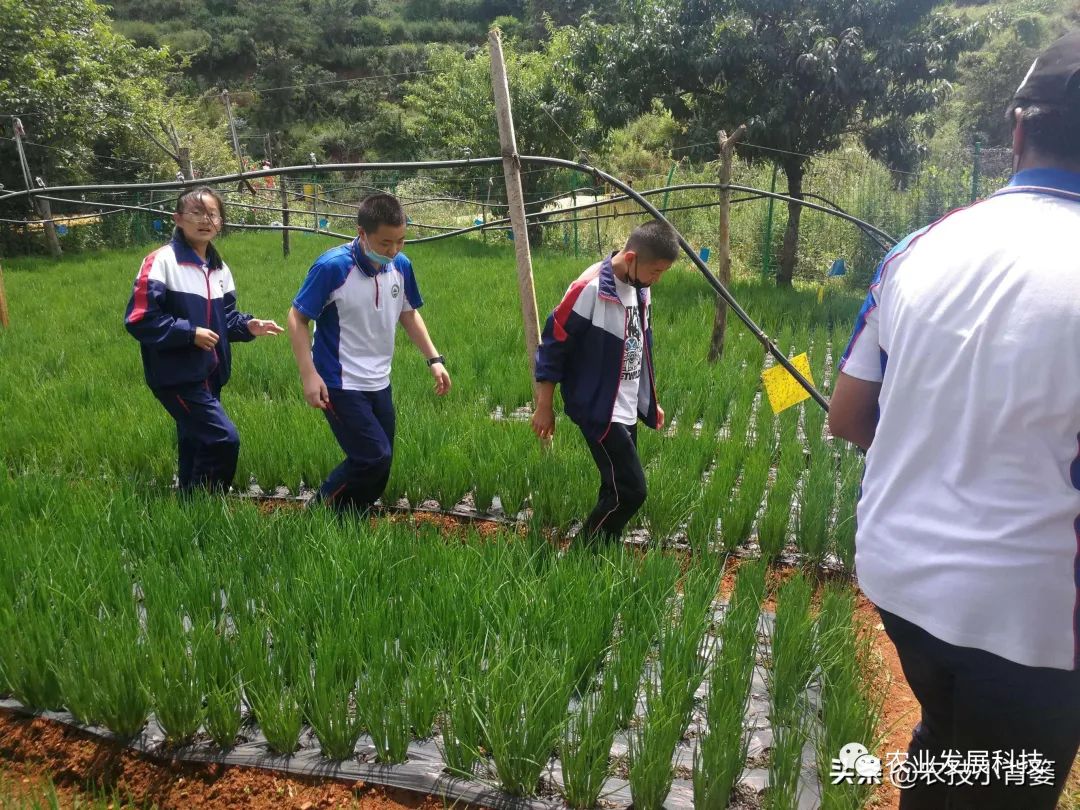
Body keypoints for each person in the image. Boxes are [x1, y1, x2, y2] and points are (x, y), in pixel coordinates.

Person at [829, 31, 1080, 810]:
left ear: (1014, 129)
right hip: (1031, 624)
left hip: (902, 583)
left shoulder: (918, 247)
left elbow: (847, 416)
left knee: (951, 736)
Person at [287, 192, 451, 514]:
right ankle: (316, 516)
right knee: (372, 457)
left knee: (381, 463)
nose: (393, 250)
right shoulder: (333, 267)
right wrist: (309, 374)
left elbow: (408, 313)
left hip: (379, 380)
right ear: (362, 233)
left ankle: (349, 519)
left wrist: (434, 359)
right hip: (339, 381)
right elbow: (298, 317)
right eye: (385, 243)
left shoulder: (401, 266)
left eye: (401, 241)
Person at [125, 187, 283, 494]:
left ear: (220, 222)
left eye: (212, 213)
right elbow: (139, 319)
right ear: (178, 219)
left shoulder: (219, 268)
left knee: (195, 440)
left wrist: (249, 326)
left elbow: (225, 318)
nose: (205, 220)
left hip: (211, 374)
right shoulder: (162, 262)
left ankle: (189, 506)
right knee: (222, 439)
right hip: (177, 376)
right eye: (196, 213)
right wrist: (188, 333)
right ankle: (207, 505)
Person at [531, 220, 678, 544]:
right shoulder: (591, 289)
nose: (657, 279)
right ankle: (584, 551)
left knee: (614, 487)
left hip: (624, 407)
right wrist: (544, 406)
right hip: (598, 408)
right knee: (632, 491)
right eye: (655, 271)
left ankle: (600, 553)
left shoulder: (641, 289)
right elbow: (554, 344)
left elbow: (640, 346)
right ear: (630, 258)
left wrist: (649, 400)